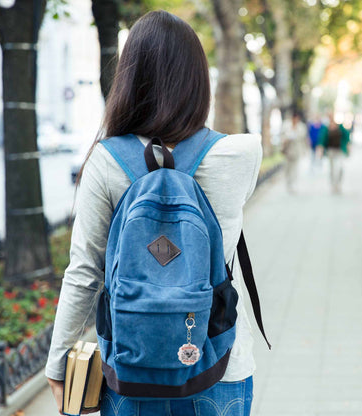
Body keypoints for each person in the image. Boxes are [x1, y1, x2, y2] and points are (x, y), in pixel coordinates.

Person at [46, 10, 262, 416]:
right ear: (199, 80)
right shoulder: (242, 152)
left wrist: (59, 364)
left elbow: (85, 272)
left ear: (129, 78)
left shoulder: (106, 161)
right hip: (218, 365)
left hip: (131, 371)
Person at [317, 115, 350, 193]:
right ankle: (333, 185)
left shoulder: (341, 128)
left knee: (340, 168)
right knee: (332, 169)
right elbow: (322, 140)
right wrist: (320, 149)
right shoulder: (326, 129)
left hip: (340, 151)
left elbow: (347, 138)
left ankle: (338, 183)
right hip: (331, 151)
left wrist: (348, 149)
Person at [280, 111, 307, 193]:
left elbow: (302, 138)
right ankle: (288, 183)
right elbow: (282, 136)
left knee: (295, 168)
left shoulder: (301, 127)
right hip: (287, 150)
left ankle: (294, 184)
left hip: (296, 150)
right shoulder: (286, 125)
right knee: (287, 168)